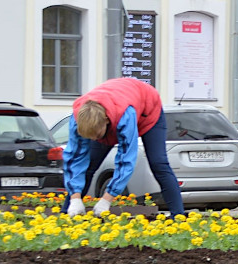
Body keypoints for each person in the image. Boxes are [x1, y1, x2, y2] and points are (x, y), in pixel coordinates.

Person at [61, 77, 185, 217]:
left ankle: (178, 216)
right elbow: (74, 160)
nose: (94, 140)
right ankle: (67, 214)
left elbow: (126, 160)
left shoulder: (125, 116)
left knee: (158, 163)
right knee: (89, 166)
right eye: (90, 136)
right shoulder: (78, 119)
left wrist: (106, 200)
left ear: (106, 122)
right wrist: (75, 198)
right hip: (116, 104)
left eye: (97, 135)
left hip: (148, 111)